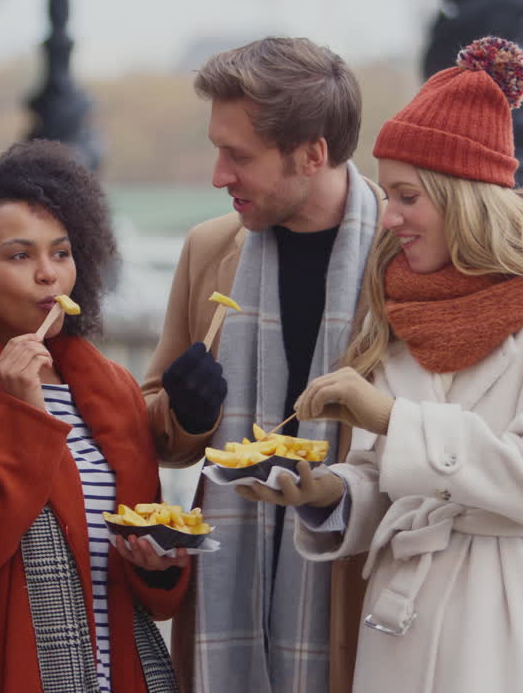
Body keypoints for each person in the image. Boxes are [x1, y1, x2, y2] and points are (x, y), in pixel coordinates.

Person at [237, 37, 523, 692]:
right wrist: (328, 494)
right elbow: (392, 477)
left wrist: (392, 417)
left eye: (406, 197)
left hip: (506, 621)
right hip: (398, 622)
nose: (388, 216)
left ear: (462, 196)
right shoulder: (404, 302)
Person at [0, 140, 188, 693]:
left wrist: (159, 561)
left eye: (61, 252)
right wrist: (21, 412)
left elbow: (156, 589)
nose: (48, 275)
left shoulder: (112, 390)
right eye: (19, 255)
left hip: (125, 673)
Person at [139, 37, 382, 693]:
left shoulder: (401, 260)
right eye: (218, 149)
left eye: (237, 155)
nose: (219, 176)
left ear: (313, 153)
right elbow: (155, 426)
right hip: (227, 583)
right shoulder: (208, 249)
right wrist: (188, 411)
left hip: (349, 591)